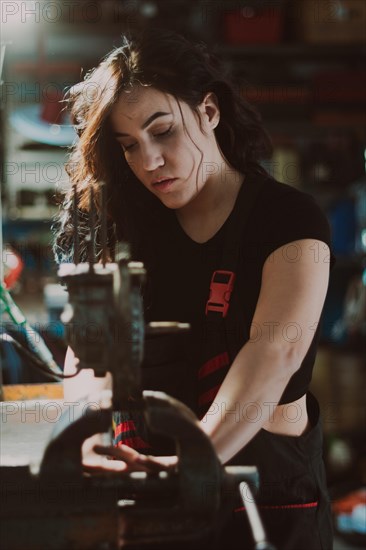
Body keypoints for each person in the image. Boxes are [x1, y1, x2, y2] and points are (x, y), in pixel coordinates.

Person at [54, 28, 335, 550]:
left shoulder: (289, 220)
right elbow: (89, 352)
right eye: (129, 146)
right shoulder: (129, 227)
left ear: (208, 111)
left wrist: (194, 459)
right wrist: (87, 433)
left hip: (266, 497)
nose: (149, 162)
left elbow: (275, 351)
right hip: (151, 493)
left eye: (163, 132)